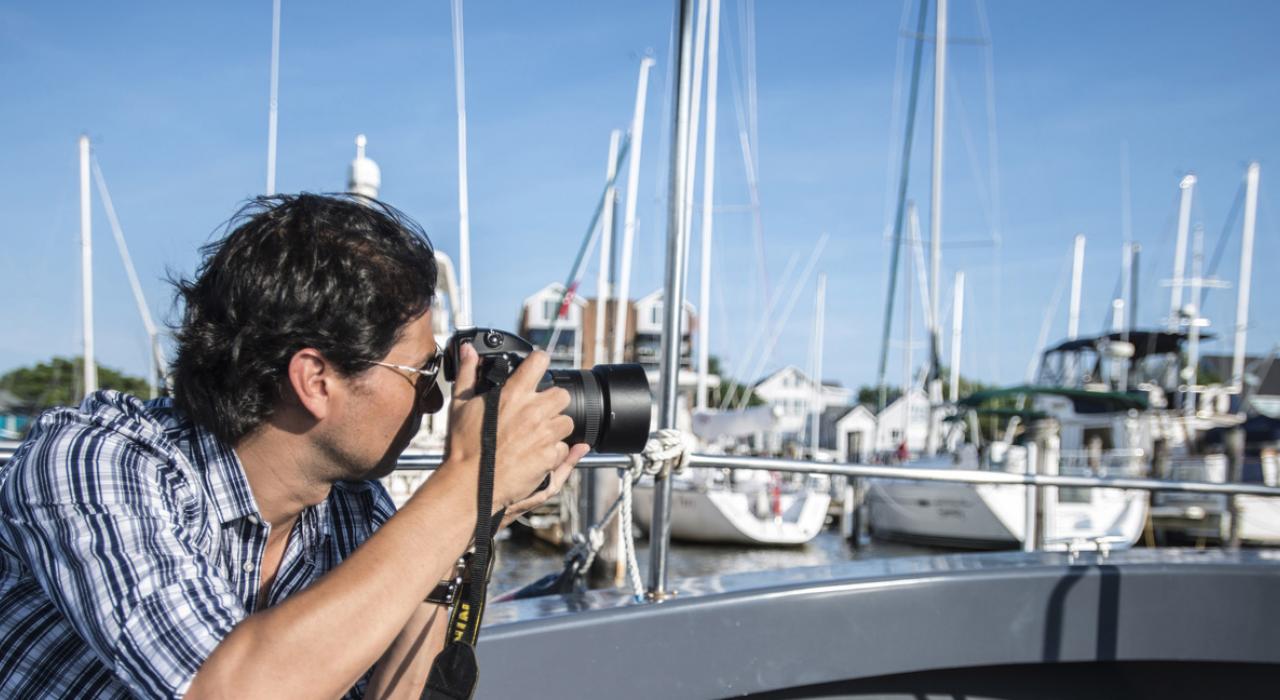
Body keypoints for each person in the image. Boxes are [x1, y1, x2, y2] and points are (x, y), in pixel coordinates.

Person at [0, 194, 589, 698]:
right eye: (421, 372)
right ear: (315, 380)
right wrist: (465, 483)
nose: (435, 402)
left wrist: (470, 523)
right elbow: (223, 690)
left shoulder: (351, 507)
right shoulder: (96, 460)